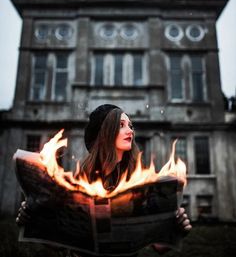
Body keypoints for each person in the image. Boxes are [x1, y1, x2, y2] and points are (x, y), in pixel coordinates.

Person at [16, 104, 192, 256]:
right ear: (105, 132)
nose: (130, 130)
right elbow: (58, 244)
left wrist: (175, 229)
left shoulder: (139, 180)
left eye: (130, 125)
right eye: (121, 125)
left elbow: (158, 247)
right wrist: (34, 220)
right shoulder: (78, 181)